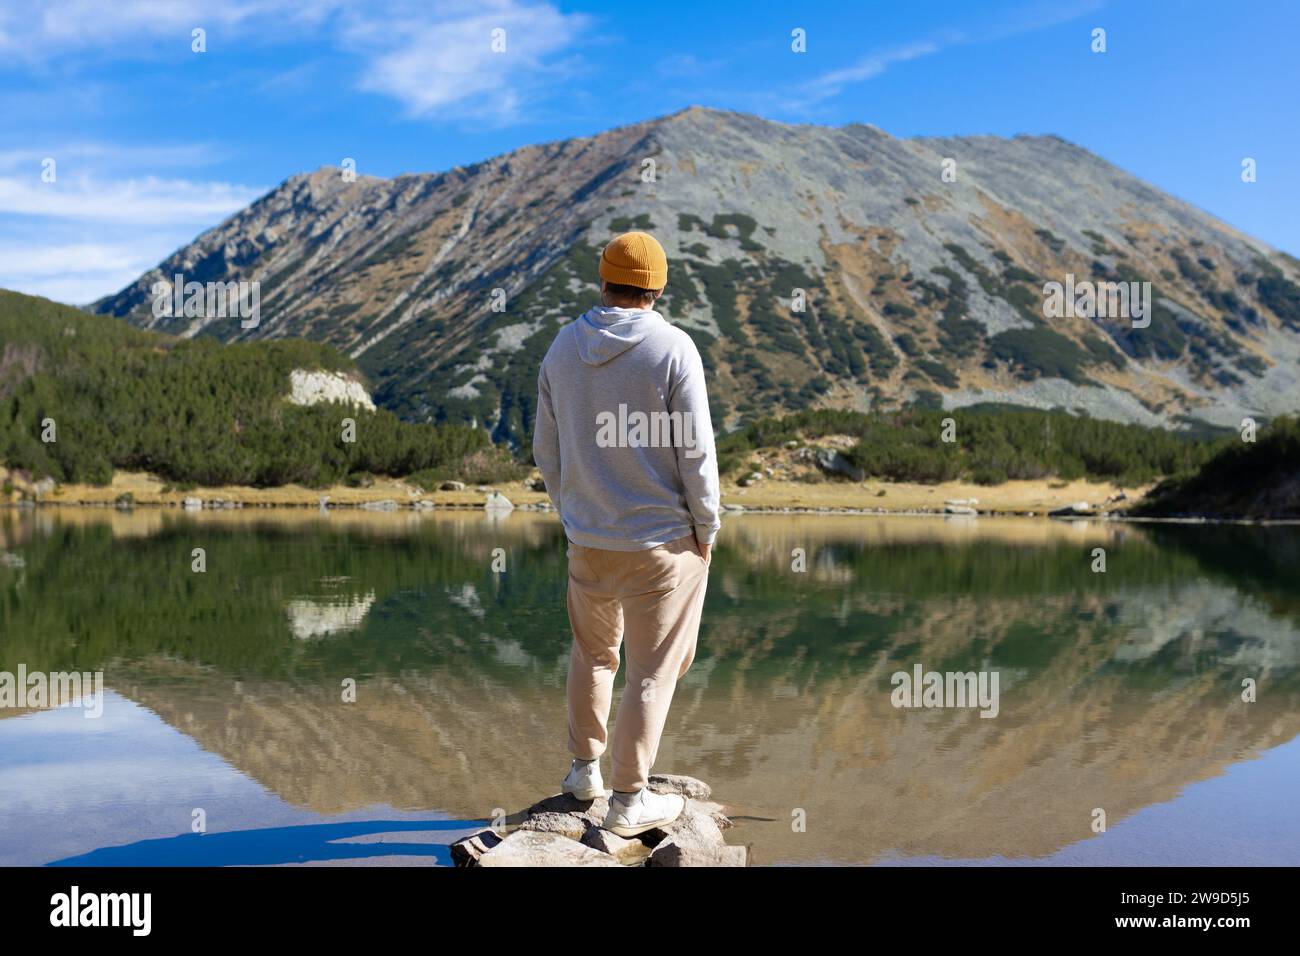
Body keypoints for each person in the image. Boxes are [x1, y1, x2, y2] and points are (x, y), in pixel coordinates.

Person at [532, 231, 721, 837]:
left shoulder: (562, 347)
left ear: (602, 279)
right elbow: (697, 453)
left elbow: (547, 449)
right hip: (662, 543)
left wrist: (574, 513)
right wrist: (707, 527)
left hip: (589, 540)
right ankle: (627, 801)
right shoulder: (673, 348)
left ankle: (583, 771)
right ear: (659, 287)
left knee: (593, 654)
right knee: (651, 671)